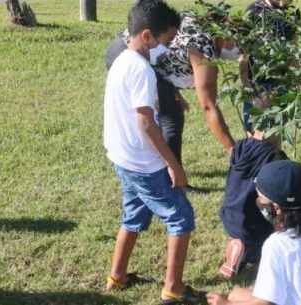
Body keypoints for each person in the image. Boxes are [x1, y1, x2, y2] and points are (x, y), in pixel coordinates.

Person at [102, 1, 204, 304]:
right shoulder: (141, 70)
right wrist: (173, 165)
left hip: (122, 157)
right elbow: (146, 124)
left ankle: (117, 276)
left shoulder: (121, 58)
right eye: (168, 40)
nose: (170, 46)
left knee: (133, 215)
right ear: (147, 36)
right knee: (181, 217)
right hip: (143, 164)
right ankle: (173, 288)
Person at [105, 8, 238, 187]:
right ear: (224, 34)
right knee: (171, 118)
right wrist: (234, 151)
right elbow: (208, 106)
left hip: (124, 46)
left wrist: (172, 91)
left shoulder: (201, 21)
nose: (233, 51)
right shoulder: (204, 47)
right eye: (234, 45)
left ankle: (170, 172)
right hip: (131, 52)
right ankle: (172, 178)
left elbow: (170, 56)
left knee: (172, 109)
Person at [206, 160, 301, 305]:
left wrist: (224, 304)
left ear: (276, 208)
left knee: (233, 297)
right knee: (236, 293)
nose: (258, 201)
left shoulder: (277, 244)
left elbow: (264, 304)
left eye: (260, 198)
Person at [217, 132, 286, 279]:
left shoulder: (240, 146)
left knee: (243, 222)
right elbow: (268, 200)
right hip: (254, 224)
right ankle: (249, 252)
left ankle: (236, 245)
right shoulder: (274, 158)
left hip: (230, 215)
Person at [239, 0, 301, 135]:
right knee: (256, 134)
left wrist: (297, 78)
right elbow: (244, 53)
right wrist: (246, 83)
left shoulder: (292, 12)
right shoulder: (254, 11)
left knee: (276, 132)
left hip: (282, 82)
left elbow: (293, 48)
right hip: (258, 83)